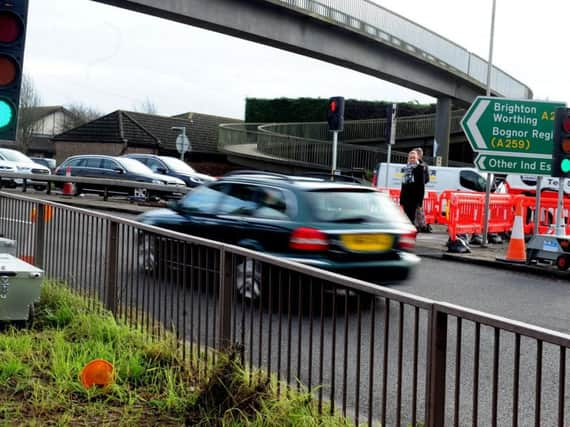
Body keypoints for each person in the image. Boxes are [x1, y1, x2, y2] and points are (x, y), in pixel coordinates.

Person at [399, 150, 425, 224]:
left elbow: (421, 186)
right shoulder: (405, 168)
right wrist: (401, 200)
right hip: (406, 199)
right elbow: (403, 184)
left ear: (417, 158)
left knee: (412, 220)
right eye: (411, 158)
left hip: (415, 199)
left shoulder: (420, 168)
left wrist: (420, 202)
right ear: (408, 159)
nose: (412, 159)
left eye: (414, 158)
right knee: (406, 219)